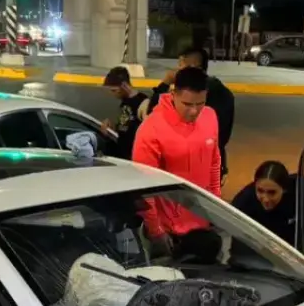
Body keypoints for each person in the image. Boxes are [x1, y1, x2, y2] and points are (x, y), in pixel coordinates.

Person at [133, 66, 222, 252]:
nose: (194, 111)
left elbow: (214, 164)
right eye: (187, 104)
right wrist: (156, 231)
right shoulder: (151, 129)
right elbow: (143, 189)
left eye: (200, 103)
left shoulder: (210, 116)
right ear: (173, 94)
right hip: (170, 234)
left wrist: (217, 210)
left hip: (204, 226)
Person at [148, 47, 236, 180]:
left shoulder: (192, 96)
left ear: (193, 67)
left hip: (193, 168)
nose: (176, 72)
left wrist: (165, 84)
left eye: (180, 67)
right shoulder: (220, 92)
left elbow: (152, 112)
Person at [231, 160, 304, 249]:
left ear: (284, 189)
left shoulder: (302, 196)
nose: (265, 199)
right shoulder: (243, 202)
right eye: (260, 191)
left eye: (272, 192)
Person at [101, 66, 149, 160]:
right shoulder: (124, 101)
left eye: (114, 90)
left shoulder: (143, 103)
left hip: (132, 157)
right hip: (121, 154)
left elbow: (148, 134)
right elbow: (125, 126)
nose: (113, 94)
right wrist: (111, 129)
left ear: (124, 85)